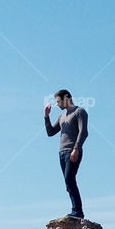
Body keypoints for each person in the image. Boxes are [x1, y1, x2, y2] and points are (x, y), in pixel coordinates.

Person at [44, 90, 88, 219]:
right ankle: (76, 211)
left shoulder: (79, 112)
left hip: (72, 151)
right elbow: (50, 132)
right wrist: (46, 116)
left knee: (70, 179)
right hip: (62, 152)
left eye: (58, 101)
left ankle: (78, 211)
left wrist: (76, 148)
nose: (57, 104)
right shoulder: (62, 116)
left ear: (66, 97)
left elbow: (84, 132)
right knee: (67, 182)